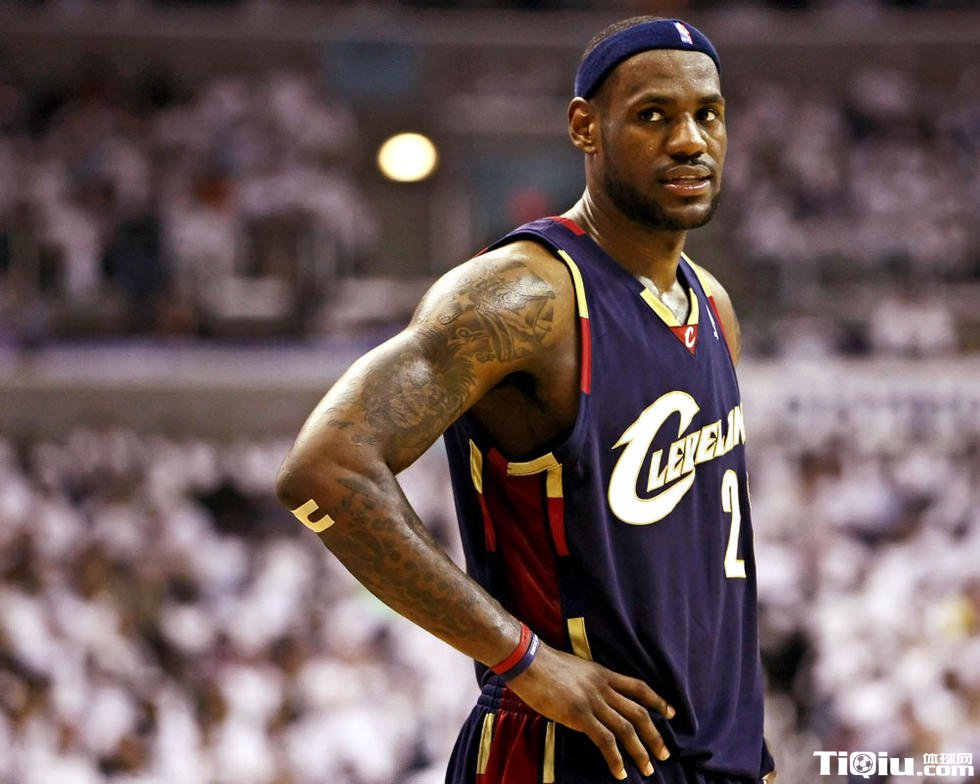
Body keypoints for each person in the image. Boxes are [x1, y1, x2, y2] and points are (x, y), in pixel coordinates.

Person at [276, 15, 776, 784]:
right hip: (562, 752)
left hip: (714, 757)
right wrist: (525, 660)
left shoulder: (713, 306)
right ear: (585, 126)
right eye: (653, 115)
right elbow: (325, 470)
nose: (689, 140)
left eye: (708, 115)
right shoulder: (524, 294)